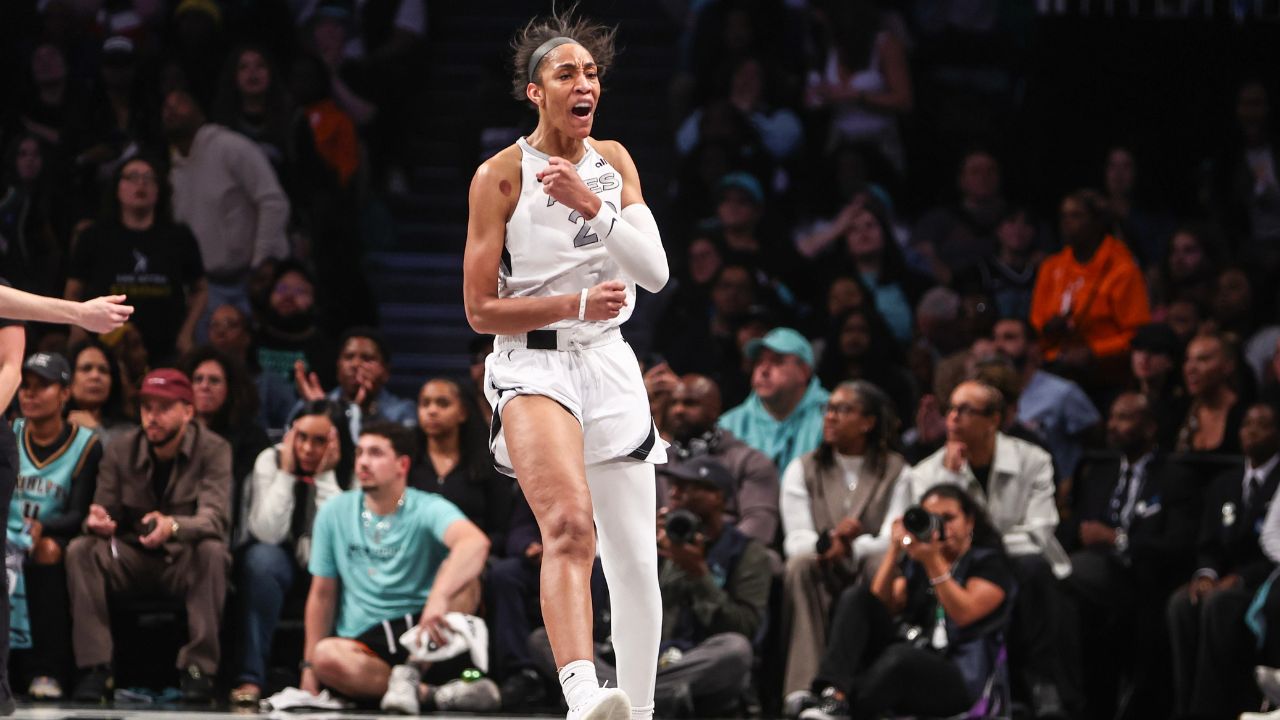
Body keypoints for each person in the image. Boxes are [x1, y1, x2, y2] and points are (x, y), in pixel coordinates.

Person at [461, 10, 672, 720]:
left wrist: (596, 208)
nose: (585, 84)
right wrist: (573, 304)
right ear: (535, 92)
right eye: (567, 74)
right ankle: (584, 693)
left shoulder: (613, 161)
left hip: (610, 365)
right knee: (570, 528)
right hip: (533, 366)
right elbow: (480, 312)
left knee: (637, 565)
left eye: (591, 73)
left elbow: (656, 274)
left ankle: (635, 715)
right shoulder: (498, 176)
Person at [532, 456, 770, 717]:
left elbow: (744, 627)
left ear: (718, 497)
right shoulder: (651, 539)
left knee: (736, 650)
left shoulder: (747, 552)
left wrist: (700, 575)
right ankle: (651, 697)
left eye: (688, 487)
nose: (675, 494)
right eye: (674, 486)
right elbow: (616, 609)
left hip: (694, 658)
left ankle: (619, 700)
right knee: (545, 638)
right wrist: (641, 552)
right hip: (638, 659)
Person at [905, 380, 1072, 718]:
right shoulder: (928, 472)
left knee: (1030, 567)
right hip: (959, 563)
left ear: (993, 420)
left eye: (965, 410)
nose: (952, 418)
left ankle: (1043, 682)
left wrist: (980, 546)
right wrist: (951, 479)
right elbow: (935, 533)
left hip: (1018, 560)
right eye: (950, 409)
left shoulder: (1033, 459)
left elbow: (1040, 529)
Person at [300, 422, 492, 713]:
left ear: (402, 464)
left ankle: (412, 674)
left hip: (425, 633)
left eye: (376, 453)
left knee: (467, 580)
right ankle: (432, 695)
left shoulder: (427, 506)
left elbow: (475, 543)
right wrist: (308, 668)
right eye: (360, 452)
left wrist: (438, 598)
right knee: (324, 655)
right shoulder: (334, 512)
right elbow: (322, 594)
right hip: (365, 642)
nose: (363, 461)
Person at [65, 369, 232, 703]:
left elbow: (215, 518)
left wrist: (173, 526)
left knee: (213, 551)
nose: (152, 417)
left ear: (188, 411)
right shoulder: (121, 449)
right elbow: (104, 508)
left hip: (182, 560)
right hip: (132, 557)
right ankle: (96, 668)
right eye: (147, 407)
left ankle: (198, 668)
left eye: (164, 407)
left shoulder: (214, 449)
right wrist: (98, 520)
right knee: (82, 549)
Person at [792, 484, 1014, 720]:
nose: (941, 527)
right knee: (856, 598)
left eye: (948, 518)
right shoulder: (918, 561)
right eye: (933, 519)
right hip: (913, 654)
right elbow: (876, 605)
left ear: (969, 521)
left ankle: (836, 705)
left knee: (901, 659)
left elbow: (964, 613)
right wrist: (894, 550)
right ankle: (833, 694)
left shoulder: (989, 563)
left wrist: (933, 560)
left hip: (961, 675)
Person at [1064, 393, 1199, 719]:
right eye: (1112, 417)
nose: (1113, 426)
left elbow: (1179, 543)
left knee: (1072, 577)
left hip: (1146, 580)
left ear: (1149, 427)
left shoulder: (1175, 476)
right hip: (1095, 580)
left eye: (1124, 418)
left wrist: (1119, 539)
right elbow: (1075, 528)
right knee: (1064, 581)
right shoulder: (1100, 472)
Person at [779, 380, 909, 699]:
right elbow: (795, 538)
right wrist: (828, 544)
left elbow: (894, 536)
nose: (830, 417)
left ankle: (867, 687)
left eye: (843, 409)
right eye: (829, 409)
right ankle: (803, 686)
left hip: (869, 563)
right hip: (822, 562)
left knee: (882, 562)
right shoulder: (804, 468)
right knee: (799, 565)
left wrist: (851, 549)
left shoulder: (897, 470)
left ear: (868, 422)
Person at [230, 400, 350, 706]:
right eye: (302, 438)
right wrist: (285, 475)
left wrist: (324, 478)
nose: (308, 449)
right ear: (289, 436)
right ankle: (251, 677)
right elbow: (266, 531)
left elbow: (342, 535)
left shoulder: (351, 466)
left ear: (336, 441)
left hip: (329, 563)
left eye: (320, 440)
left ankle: (330, 677)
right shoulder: (270, 460)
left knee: (344, 569)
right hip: (280, 557)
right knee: (260, 560)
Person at [1168, 400, 1280, 719]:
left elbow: (1273, 545)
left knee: (1220, 605)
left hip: (1262, 580)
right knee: (1181, 605)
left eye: (1263, 425)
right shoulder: (1225, 482)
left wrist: (1241, 578)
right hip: (1225, 578)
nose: (1252, 432)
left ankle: (1211, 712)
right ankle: (1183, 708)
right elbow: (1209, 542)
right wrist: (1206, 573)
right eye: (1246, 425)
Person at [9, 353, 101, 700]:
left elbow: (79, 511)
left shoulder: (86, 445)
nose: (29, 395)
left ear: (64, 394)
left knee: (46, 552)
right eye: (26, 387)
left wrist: (43, 527)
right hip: (8, 533)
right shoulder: (9, 433)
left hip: (54, 534)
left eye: (42, 387)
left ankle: (45, 669)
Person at [163, 87, 290, 338]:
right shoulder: (171, 167)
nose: (172, 111)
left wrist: (263, 258)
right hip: (204, 287)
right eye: (166, 107)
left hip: (248, 281)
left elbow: (273, 200)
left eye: (181, 103)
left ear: (200, 112)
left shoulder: (231, 146)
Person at [65, 156, 207, 364]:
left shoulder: (179, 236)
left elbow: (201, 288)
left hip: (166, 348)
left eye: (149, 178)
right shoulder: (94, 236)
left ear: (160, 189)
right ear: (117, 187)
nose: (141, 183)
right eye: (132, 177)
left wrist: (186, 334)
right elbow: (73, 290)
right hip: (105, 348)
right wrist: (77, 331)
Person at [1030, 189, 1150, 384]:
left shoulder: (1122, 268)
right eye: (1064, 216)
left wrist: (1094, 352)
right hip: (1056, 367)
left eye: (1076, 216)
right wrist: (1050, 328)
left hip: (1106, 374)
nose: (1067, 223)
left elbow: (1137, 334)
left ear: (1097, 222)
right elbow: (1037, 322)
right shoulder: (1051, 267)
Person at [660, 374, 779, 547]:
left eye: (690, 403)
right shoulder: (658, 461)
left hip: (730, 557)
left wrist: (712, 555)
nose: (678, 410)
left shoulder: (750, 460)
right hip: (667, 551)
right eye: (673, 403)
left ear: (715, 409)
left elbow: (759, 525)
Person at [410, 378, 514, 551]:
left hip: (473, 559)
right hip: (416, 556)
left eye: (443, 404)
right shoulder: (407, 462)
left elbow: (500, 529)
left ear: (463, 413)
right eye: (425, 404)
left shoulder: (487, 465)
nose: (432, 410)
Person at [990, 317, 1100, 481]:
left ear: (1032, 347)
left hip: (1052, 490)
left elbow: (1095, 439)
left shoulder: (1062, 393)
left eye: (1009, 338)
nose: (999, 346)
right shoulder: (989, 394)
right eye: (995, 338)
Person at [181, 346, 271, 535]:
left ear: (230, 389)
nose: (205, 386)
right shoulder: (173, 433)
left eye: (214, 381)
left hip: (230, 525)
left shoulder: (252, 437)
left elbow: (243, 494)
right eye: (198, 379)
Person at [720, 328, 830, 472]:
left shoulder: (831, 418)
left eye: (777, 362)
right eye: (759, 362)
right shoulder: (729, 424)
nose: (763, 370)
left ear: (804, 371)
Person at [293, 327, 415, 439]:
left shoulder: (402, 411)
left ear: (386, 372)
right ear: (338, 366)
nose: (356, 364)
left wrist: (367, 413)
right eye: (349, 357)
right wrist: (321, 411)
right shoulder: (316, 403)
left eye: (367, 358)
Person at [1175, 332, 1249, 455]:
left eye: (1203, 359)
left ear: (1228, 366)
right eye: (1187, 359)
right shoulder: (1179, 413)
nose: (1190, 368)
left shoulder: (1245, 416)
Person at [65, 339, 135, 447]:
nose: (95, 376)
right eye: (86, 369)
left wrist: (95, 431)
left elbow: (125, 463)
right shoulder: (52, 424)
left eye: (103, 370)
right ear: (70, 378)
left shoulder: (129, 432)